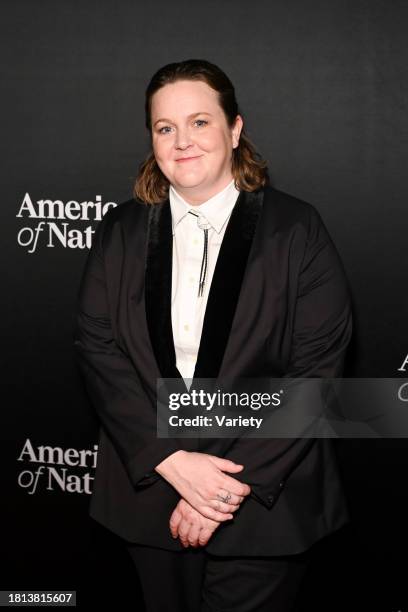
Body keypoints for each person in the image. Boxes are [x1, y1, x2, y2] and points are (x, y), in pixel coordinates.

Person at [73, 59, 353, 611]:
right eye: (165, 127)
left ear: (235, 129)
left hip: (263, 501)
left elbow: (315, 371)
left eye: (200, 122)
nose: (182, 142)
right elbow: (99, 351)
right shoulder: (121, 230)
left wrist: (216, 493)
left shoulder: (296, 229)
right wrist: (170, 461)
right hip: (151, 493)